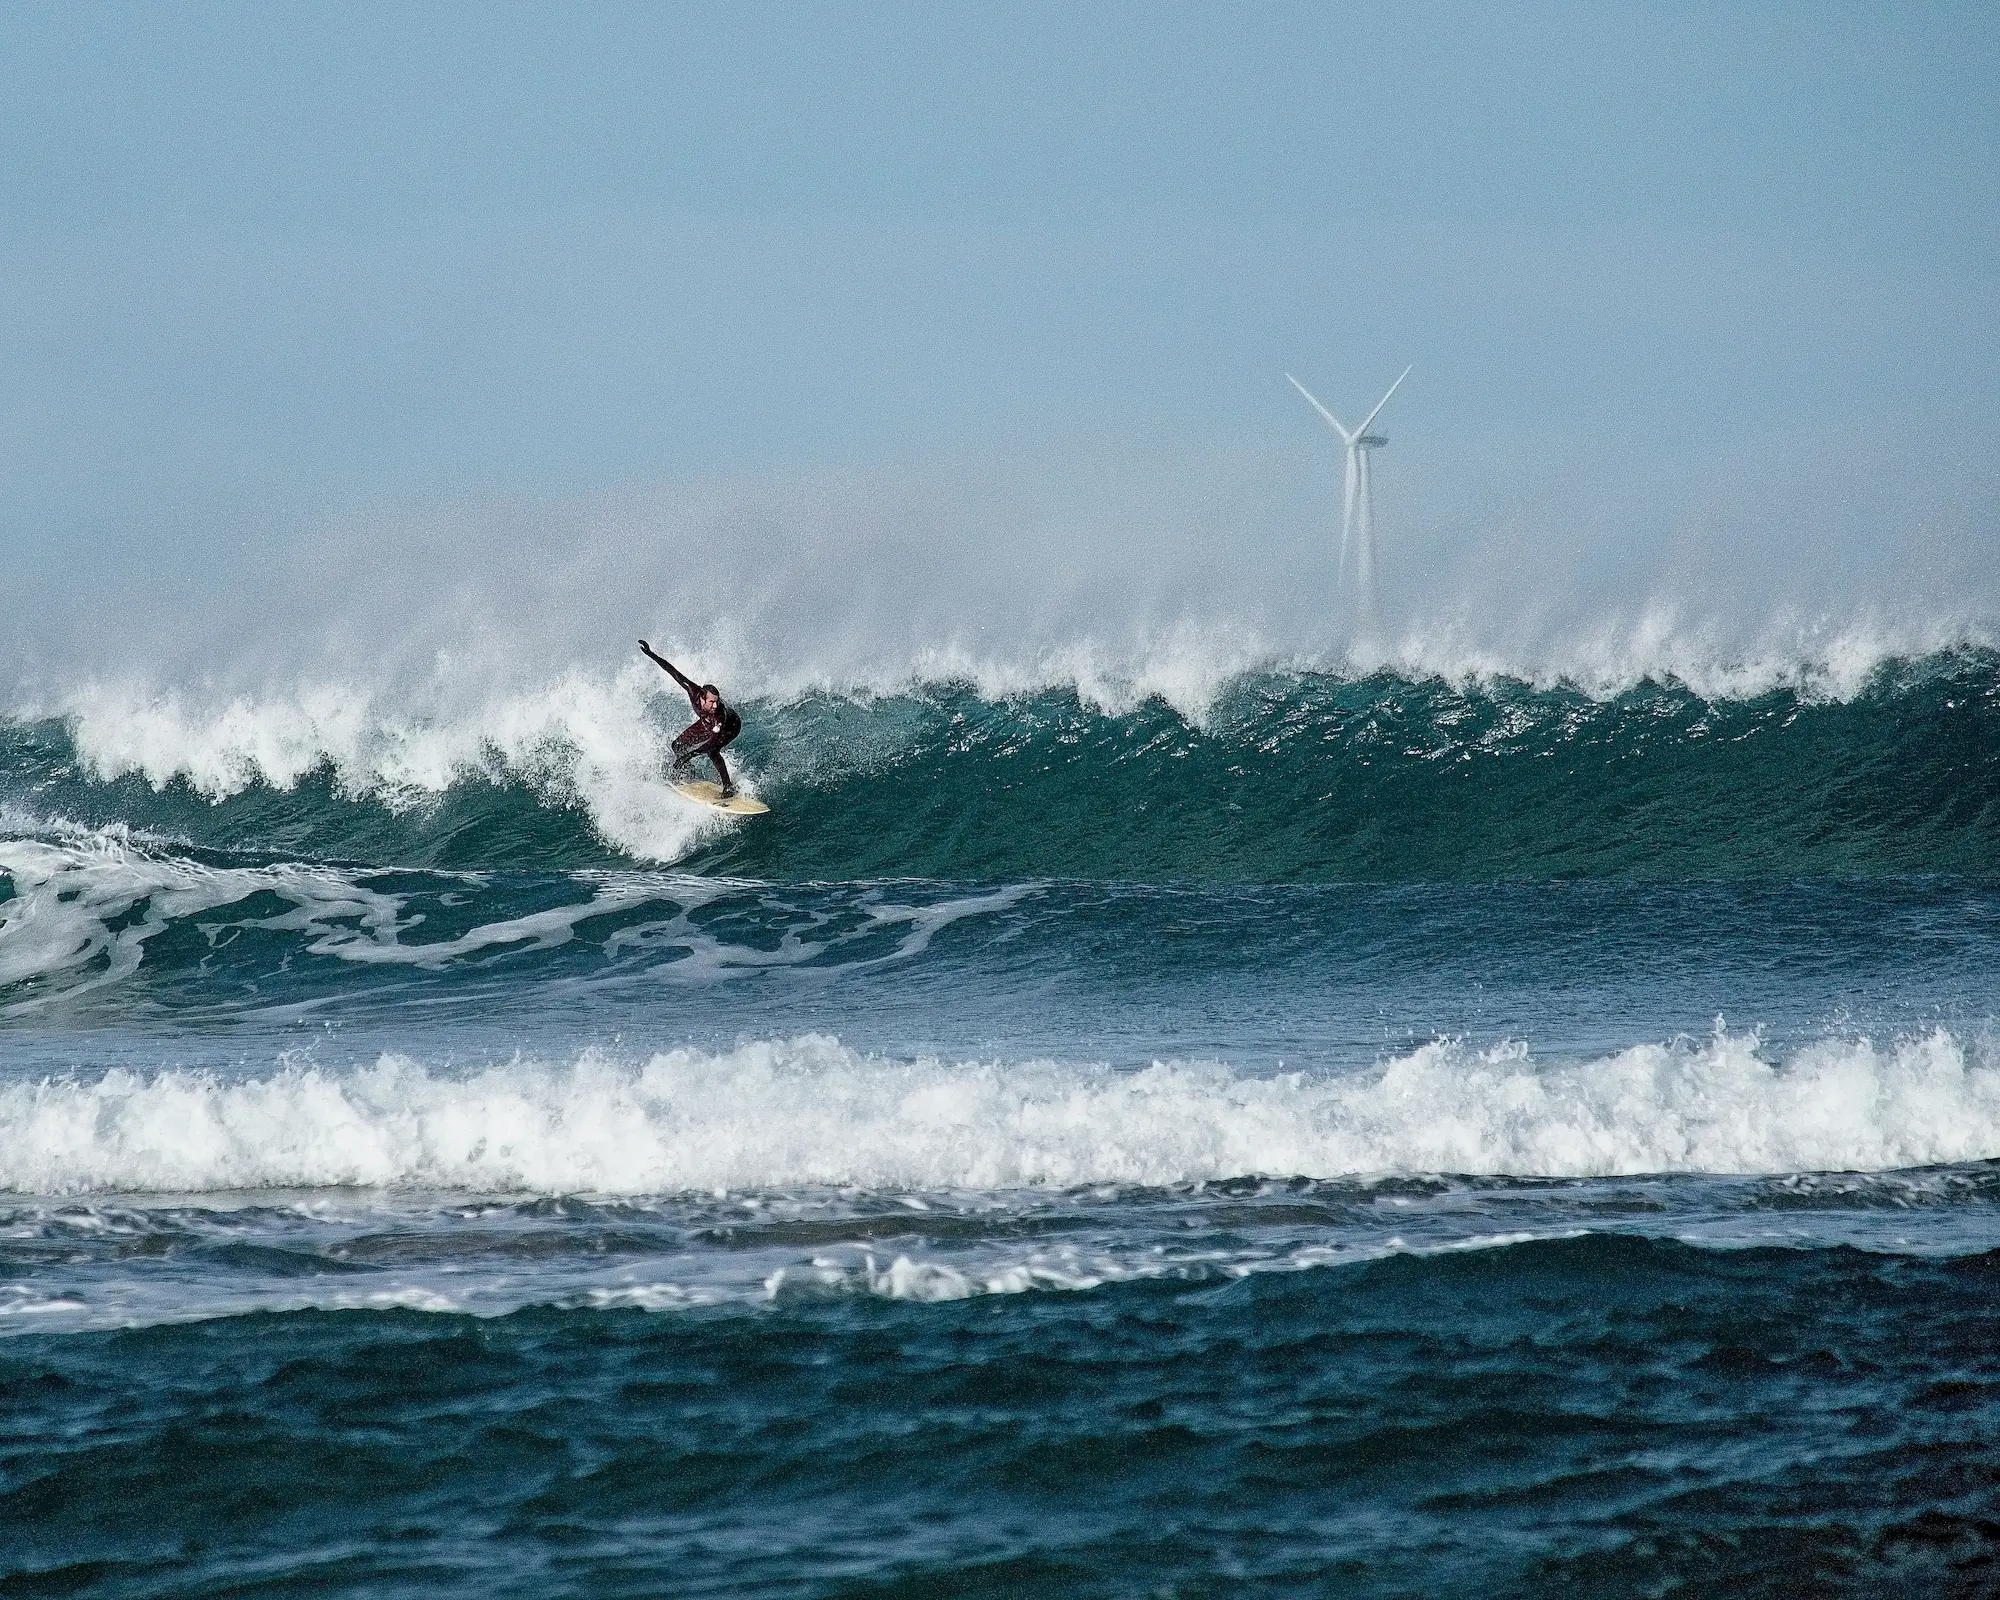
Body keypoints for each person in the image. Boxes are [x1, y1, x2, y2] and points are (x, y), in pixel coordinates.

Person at [639, 640, 743, 797]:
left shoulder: (718, 716)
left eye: (717, 701)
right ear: (702, 697)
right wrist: (651, 653)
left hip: (731, 726)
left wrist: (689, 755)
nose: (715, 705)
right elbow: (672, 671)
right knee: (677, 746)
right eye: (712, 702)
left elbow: (711, 743)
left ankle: (728, 786)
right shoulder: (693, 691)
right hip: (706, 721)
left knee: (713, 751)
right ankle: (687, 773)